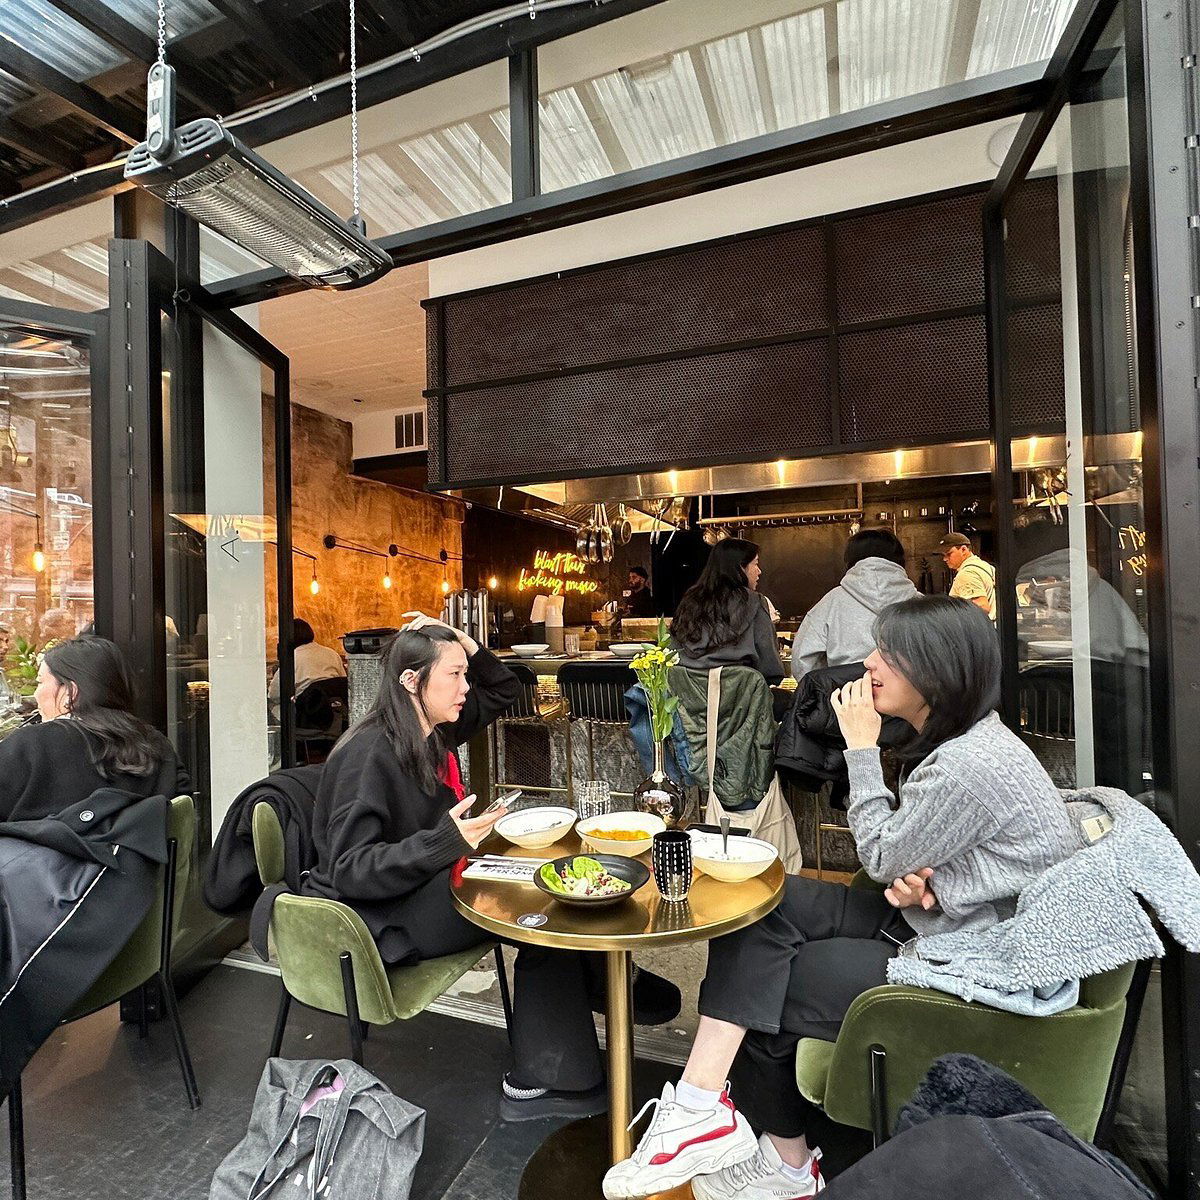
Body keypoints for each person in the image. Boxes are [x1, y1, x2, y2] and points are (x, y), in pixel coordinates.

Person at [603, 596, 1080, 1200]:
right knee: (757, 902)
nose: (868, 666)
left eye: (888, 655)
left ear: (937, 671)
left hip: (972, 958)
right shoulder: (969, 742)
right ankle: (709, 1112)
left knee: (770, 987)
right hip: (938, 918)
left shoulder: (968, 764)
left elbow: (880, 856)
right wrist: (940, 882)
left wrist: (861, 749)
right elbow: (951, 858)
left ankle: (766, 1151)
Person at [305, 612, 609, 1121]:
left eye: (464, 673)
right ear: (411, 682)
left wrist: (462, 640)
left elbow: (507, 686)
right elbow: (350, 868)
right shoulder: (369, 753)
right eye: (454, 675)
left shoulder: (430, 727)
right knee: (534, 911)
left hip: (420, 886)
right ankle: (553, 1078)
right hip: (381, 917)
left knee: (546, 879)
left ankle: (604, 990)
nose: (466, 686)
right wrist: (444, 842)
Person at [0, 636, 189, 822]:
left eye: (40, 682)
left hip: (41, 852)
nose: (36, 693)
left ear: (70, 692)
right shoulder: (156, 744)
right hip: (134, 852)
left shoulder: (29, 745)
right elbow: (181, 813)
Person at [791, 528, 919, 680]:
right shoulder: (924, 605)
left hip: (844, 699)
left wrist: (830, 691)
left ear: (850, 560)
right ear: (900, 560)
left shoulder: (830, 603)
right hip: (911, 700)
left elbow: (803, 661)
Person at [672, 538, 784, 684]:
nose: (759, 571)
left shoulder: (690, 600)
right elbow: (771, 668)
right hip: (742, 699)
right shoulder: (755, 601)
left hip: (688, 699)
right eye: (756, 564)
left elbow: (672, 651)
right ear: (740, 567)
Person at [268, 618, 346, 708]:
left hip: (306, 712)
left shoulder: (292, 659)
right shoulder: (332, 653)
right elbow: (343, 682)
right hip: (334, 711)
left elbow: (274, 694)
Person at [939, 532, 996, 621]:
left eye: (949, 554)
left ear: (963, 550)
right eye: (943, 555)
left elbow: (982, 606)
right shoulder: (985, 566)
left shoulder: (967, 574)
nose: (945, 559)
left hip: (978, 630)